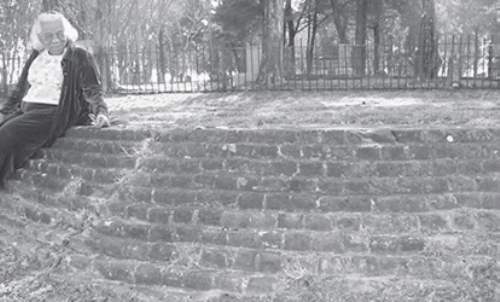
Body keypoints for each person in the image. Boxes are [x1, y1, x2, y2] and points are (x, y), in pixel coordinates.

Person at [0, 11, 110, 189]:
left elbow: (93, 89)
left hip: (54, 112)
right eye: (49, 36)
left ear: (67, 31)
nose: (56, 39)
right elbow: (20, 89)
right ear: (40, 37)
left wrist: (101, 112)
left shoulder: (80, 56)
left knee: (5, 135)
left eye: (60, 33)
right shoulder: (36, 56)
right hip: (27, 111)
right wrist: (4, 112)